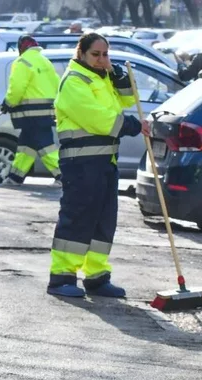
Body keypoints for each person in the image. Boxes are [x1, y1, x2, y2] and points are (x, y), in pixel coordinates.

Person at [47, 32, 144, 299]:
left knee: (104, 222)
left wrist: (116, 74)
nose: (101, 59)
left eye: (105, 54)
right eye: (96, 54)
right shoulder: (74, 81)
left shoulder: (101, 78)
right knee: (77, 219)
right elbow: (97, 118)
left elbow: (128, 99)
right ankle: (61, 277)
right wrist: (132, 126)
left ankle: (97, 277)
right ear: (81, 53)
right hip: (81, 163)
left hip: (104, 162)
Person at [0, 35, 60, 185]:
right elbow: (56, 83)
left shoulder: (22, 62)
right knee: (26, 146)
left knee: (45, 145)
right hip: (47, 110)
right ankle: (15, 177)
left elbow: (17, 87)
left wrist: (9, 102)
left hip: (31, 112)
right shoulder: (45, 61)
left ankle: (63, 175)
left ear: (21, 48)